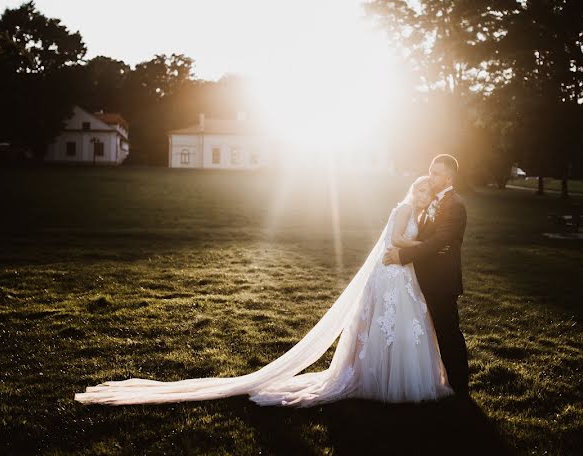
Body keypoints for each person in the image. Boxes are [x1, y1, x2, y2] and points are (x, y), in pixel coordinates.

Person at [74, 172, 455, 406]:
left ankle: (394, 378)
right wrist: (418, 248)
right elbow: (393, 240)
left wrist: (418, 248)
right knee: (388, 325)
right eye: (419, 190)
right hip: (391, 273)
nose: (422, 196)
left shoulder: (419, 213)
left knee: (402, 327)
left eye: (426, 192)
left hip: (402, 276)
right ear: (413, 191)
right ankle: (379, 380)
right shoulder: (404, 210)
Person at [383, 153, 469, 395]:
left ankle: (460, 386)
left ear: (448, 177)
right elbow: (426, 239)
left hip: (442, 281)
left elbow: (439, 241)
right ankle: (436, 376)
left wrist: (402, 256)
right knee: (429, 331)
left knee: (448, 331)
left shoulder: (455, 205)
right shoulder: (436, 201)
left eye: (435, 173)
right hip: (426, 277)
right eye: (430, 171)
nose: (430, 177)